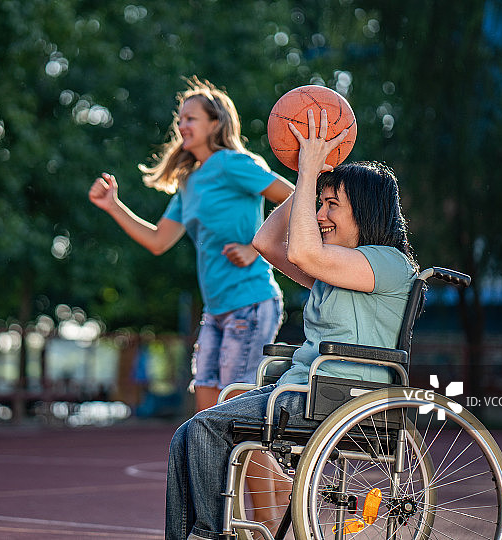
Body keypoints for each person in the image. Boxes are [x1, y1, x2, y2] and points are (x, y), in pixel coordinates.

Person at [165, 108, 419, 540]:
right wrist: (309, 177)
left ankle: (207, 535)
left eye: (332, 205)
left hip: (338, 395)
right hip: (303, 391)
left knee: (203, 428)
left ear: (366, 210)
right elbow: (266, 242)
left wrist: (307, 173)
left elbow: (301, 251)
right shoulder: (337, 269)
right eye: (321, 204)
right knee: (185, 436)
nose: (320, 214)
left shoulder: (386, 263)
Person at [89, 76, 294, 412]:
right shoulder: (189, 181)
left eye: (191, 118)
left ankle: (261, 451)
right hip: (215, 311)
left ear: (215, 124)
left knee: (232, 414)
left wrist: (255, 248)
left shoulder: (233, 164)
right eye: (180, 119)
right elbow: (158, 240)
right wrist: (113, 205)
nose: (182, 125)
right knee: (206, 414)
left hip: (251, 304)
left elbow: (294, 196)